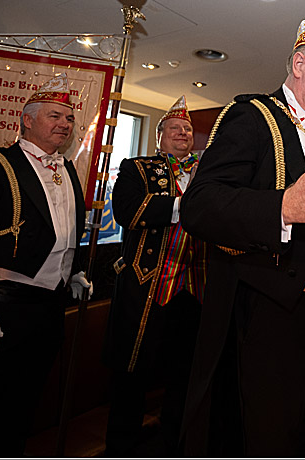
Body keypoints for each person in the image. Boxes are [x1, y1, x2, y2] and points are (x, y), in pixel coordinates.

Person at [179, 8, 305, 456]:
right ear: (299, 65)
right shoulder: (251, 115)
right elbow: (200, 206)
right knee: (280, 434)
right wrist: (285, 206)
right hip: (281, 310)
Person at [0, 73, 92, 456]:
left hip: (47, 310)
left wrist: (72, 271)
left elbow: (64, 230)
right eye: (55, 116)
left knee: (21, 407)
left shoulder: (68, 170)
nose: (64, 124)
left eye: (69, 119)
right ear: (26, 119)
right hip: (0, 308)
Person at [103, 96, 207, 456]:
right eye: (175, 128)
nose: (183, 133)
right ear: (159, 136)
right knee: (132, 375)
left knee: (185, 377)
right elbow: (127, 213)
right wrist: (185, 205)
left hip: (195, 290)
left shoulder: (207, 173)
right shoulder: (137, 168)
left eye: (188, 129)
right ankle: (120, 448)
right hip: (147, 287)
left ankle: (174, 447)